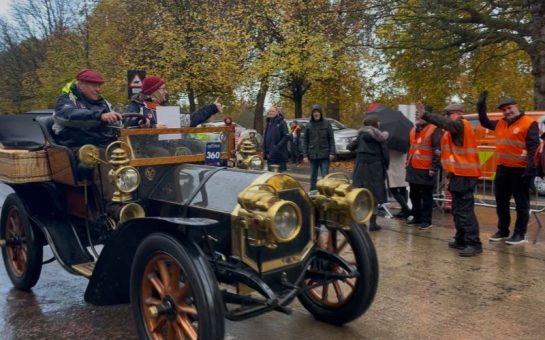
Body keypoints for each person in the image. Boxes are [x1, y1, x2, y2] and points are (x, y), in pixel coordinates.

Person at [417, 102, 483, 257]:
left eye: (449, 114)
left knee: (464, 211)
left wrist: (426, 115)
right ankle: (461, 239)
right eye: (445, 114)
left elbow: (446, 124)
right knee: (458, 210)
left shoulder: (460, 125)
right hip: (458, 174)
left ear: (459, 113)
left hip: (465, 174)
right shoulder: (455, 128)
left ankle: (474, 243)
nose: (446, 117)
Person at [477, 91, 539, 245]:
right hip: (502, 169)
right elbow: (484, 122)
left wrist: (531, 170)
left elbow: (533, 148)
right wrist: (481, 107)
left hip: (520, 170)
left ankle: (519, 234)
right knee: (501, 202)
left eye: (509, 108)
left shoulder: (529, 123)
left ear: (516, 107)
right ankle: (503, 231)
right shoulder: (500, 123)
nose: (507, 112)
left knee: (521, 204)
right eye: (504, 110)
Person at [52, 69, 122, 148]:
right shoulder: (66, 100)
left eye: (99, 86)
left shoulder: (103, 103)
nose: (98, 90)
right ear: (81, 85)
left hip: (104, 145)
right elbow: (69, 116)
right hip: (78, 148)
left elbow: (117, 124)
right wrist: (100, 116)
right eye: (94, 86)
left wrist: (128, 121)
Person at [125, 75, 221, 128]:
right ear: (154, 91)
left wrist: (212, 108)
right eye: (163, 89)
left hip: (169, 148)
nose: (165, 92)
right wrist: (152, 127)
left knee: (198, 146)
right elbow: (127, 125)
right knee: (162, 153)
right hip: (147, 153)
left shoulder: (165, 109)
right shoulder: (137, 107)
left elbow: (189, 121)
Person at [347, 115, 389, 231]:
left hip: (360, 168)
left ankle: (360, 222)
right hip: (375, 169)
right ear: (375, 124)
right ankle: (373, 223)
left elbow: (349, 147)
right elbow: (385, 154)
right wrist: (385, 165)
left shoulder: (360, 135)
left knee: (360, 195)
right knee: (373, 195)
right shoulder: (380, 137)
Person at [405, 114, 442, 230]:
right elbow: (410, 148)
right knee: (414, 195)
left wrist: (434, 167)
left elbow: (437, 150)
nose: (416, 118)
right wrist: (407, 162)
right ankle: (417, 217)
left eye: (419, 116)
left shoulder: (434, 129)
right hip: (413, 167)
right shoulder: (413, 130)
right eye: (416, 116)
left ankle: (426, 220)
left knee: (426, 196)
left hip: (426, 169)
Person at [302, 105, 336, 191]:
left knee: (325, 176)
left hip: (325, 155)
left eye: (317, 112)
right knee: (313, 177)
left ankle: (326, 193)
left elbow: (331, 138)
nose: (316, 114)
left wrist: (332, 152)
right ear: (312, 114)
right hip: (313, 155)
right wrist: (305, 155)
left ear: (320, 113)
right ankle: (312, 192)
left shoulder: (327, 124)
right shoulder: (308, 125)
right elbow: (305, 140)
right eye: (314, 112)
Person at [263, 106, 290, 172]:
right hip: (270, 154)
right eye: (270, 111)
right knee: (270, 176)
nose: (271, 113)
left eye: (273, 111)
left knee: (280, 177)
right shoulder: (269, 122)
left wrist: (277, 147)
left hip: (279, 155)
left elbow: (286, 136)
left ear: (277, 112)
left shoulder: (282, 122)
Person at [387, 150, 411, 220]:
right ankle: (404, 211)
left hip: (391, 166)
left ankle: (406, 209)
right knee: (403, 188)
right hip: (402, 165)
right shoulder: (404, 142)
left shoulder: (389, 142)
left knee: (393, 189)